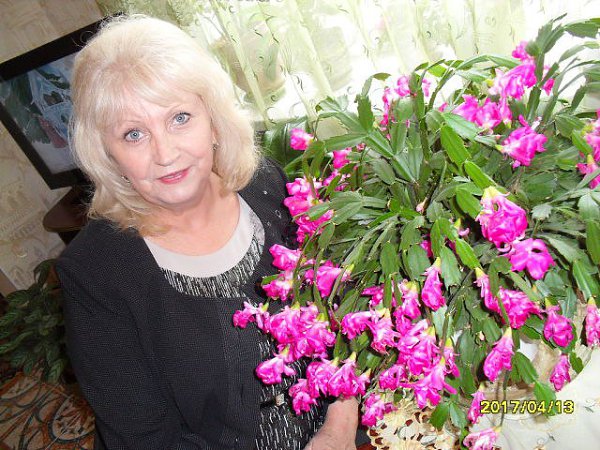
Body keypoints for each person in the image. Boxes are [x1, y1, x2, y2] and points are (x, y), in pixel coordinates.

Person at [56, 14, 358, 450]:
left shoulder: (266, 185)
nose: (165, 153)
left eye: (180, 118)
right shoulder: (95, 273)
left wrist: (339, 427)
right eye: (134, 134)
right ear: (107, 153)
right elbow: (147, 440)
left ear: (213, 119)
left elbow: (340, 308)